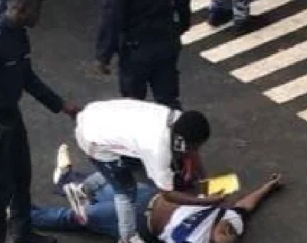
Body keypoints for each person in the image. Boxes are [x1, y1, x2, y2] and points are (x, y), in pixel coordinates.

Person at [0, 0, 82, 243]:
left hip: (12, 119)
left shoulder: (18, 36)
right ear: (22, 9)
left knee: (21, 177)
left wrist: (60, 104)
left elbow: (26, 78)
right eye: (36, 11)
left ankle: (23, 234)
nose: (39, 17)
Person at [33, 146, 284, 243]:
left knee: (72, 216)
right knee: (100, 184)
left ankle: (20, 214)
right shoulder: (233, 219)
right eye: (229, 229)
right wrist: (267, 188)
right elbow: (246, 205)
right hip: (148, 196)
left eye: (225, 236)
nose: (227, 229)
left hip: (136, 219)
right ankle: (66, 178)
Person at [66, 100, 219, 243]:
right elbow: (168, 194)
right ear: (181, 142)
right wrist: (204, 201)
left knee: (126, 166)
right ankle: (128, 237)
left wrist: (206, 181)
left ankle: (82, 189)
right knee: (126, 191)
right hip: (95, 140)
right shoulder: (158, 150)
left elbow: (191, 151)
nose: (196, 150)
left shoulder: (178, 121)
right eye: (195, 145)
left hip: (101, 115)